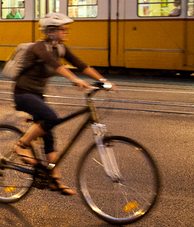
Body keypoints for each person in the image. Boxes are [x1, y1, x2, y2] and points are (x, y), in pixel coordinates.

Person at [12, 13, 117, 196]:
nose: (66, 31)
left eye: (65, 29)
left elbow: (81, 64)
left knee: (49, 136)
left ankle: (55, 181)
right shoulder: (39, 47)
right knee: (51, 118)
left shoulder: (60, 48)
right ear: (51, 31)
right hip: (23, 94)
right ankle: (22, 145)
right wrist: (76, 80)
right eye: (62, 29)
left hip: (37, 95)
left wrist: (103, 80)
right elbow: (56, 65)